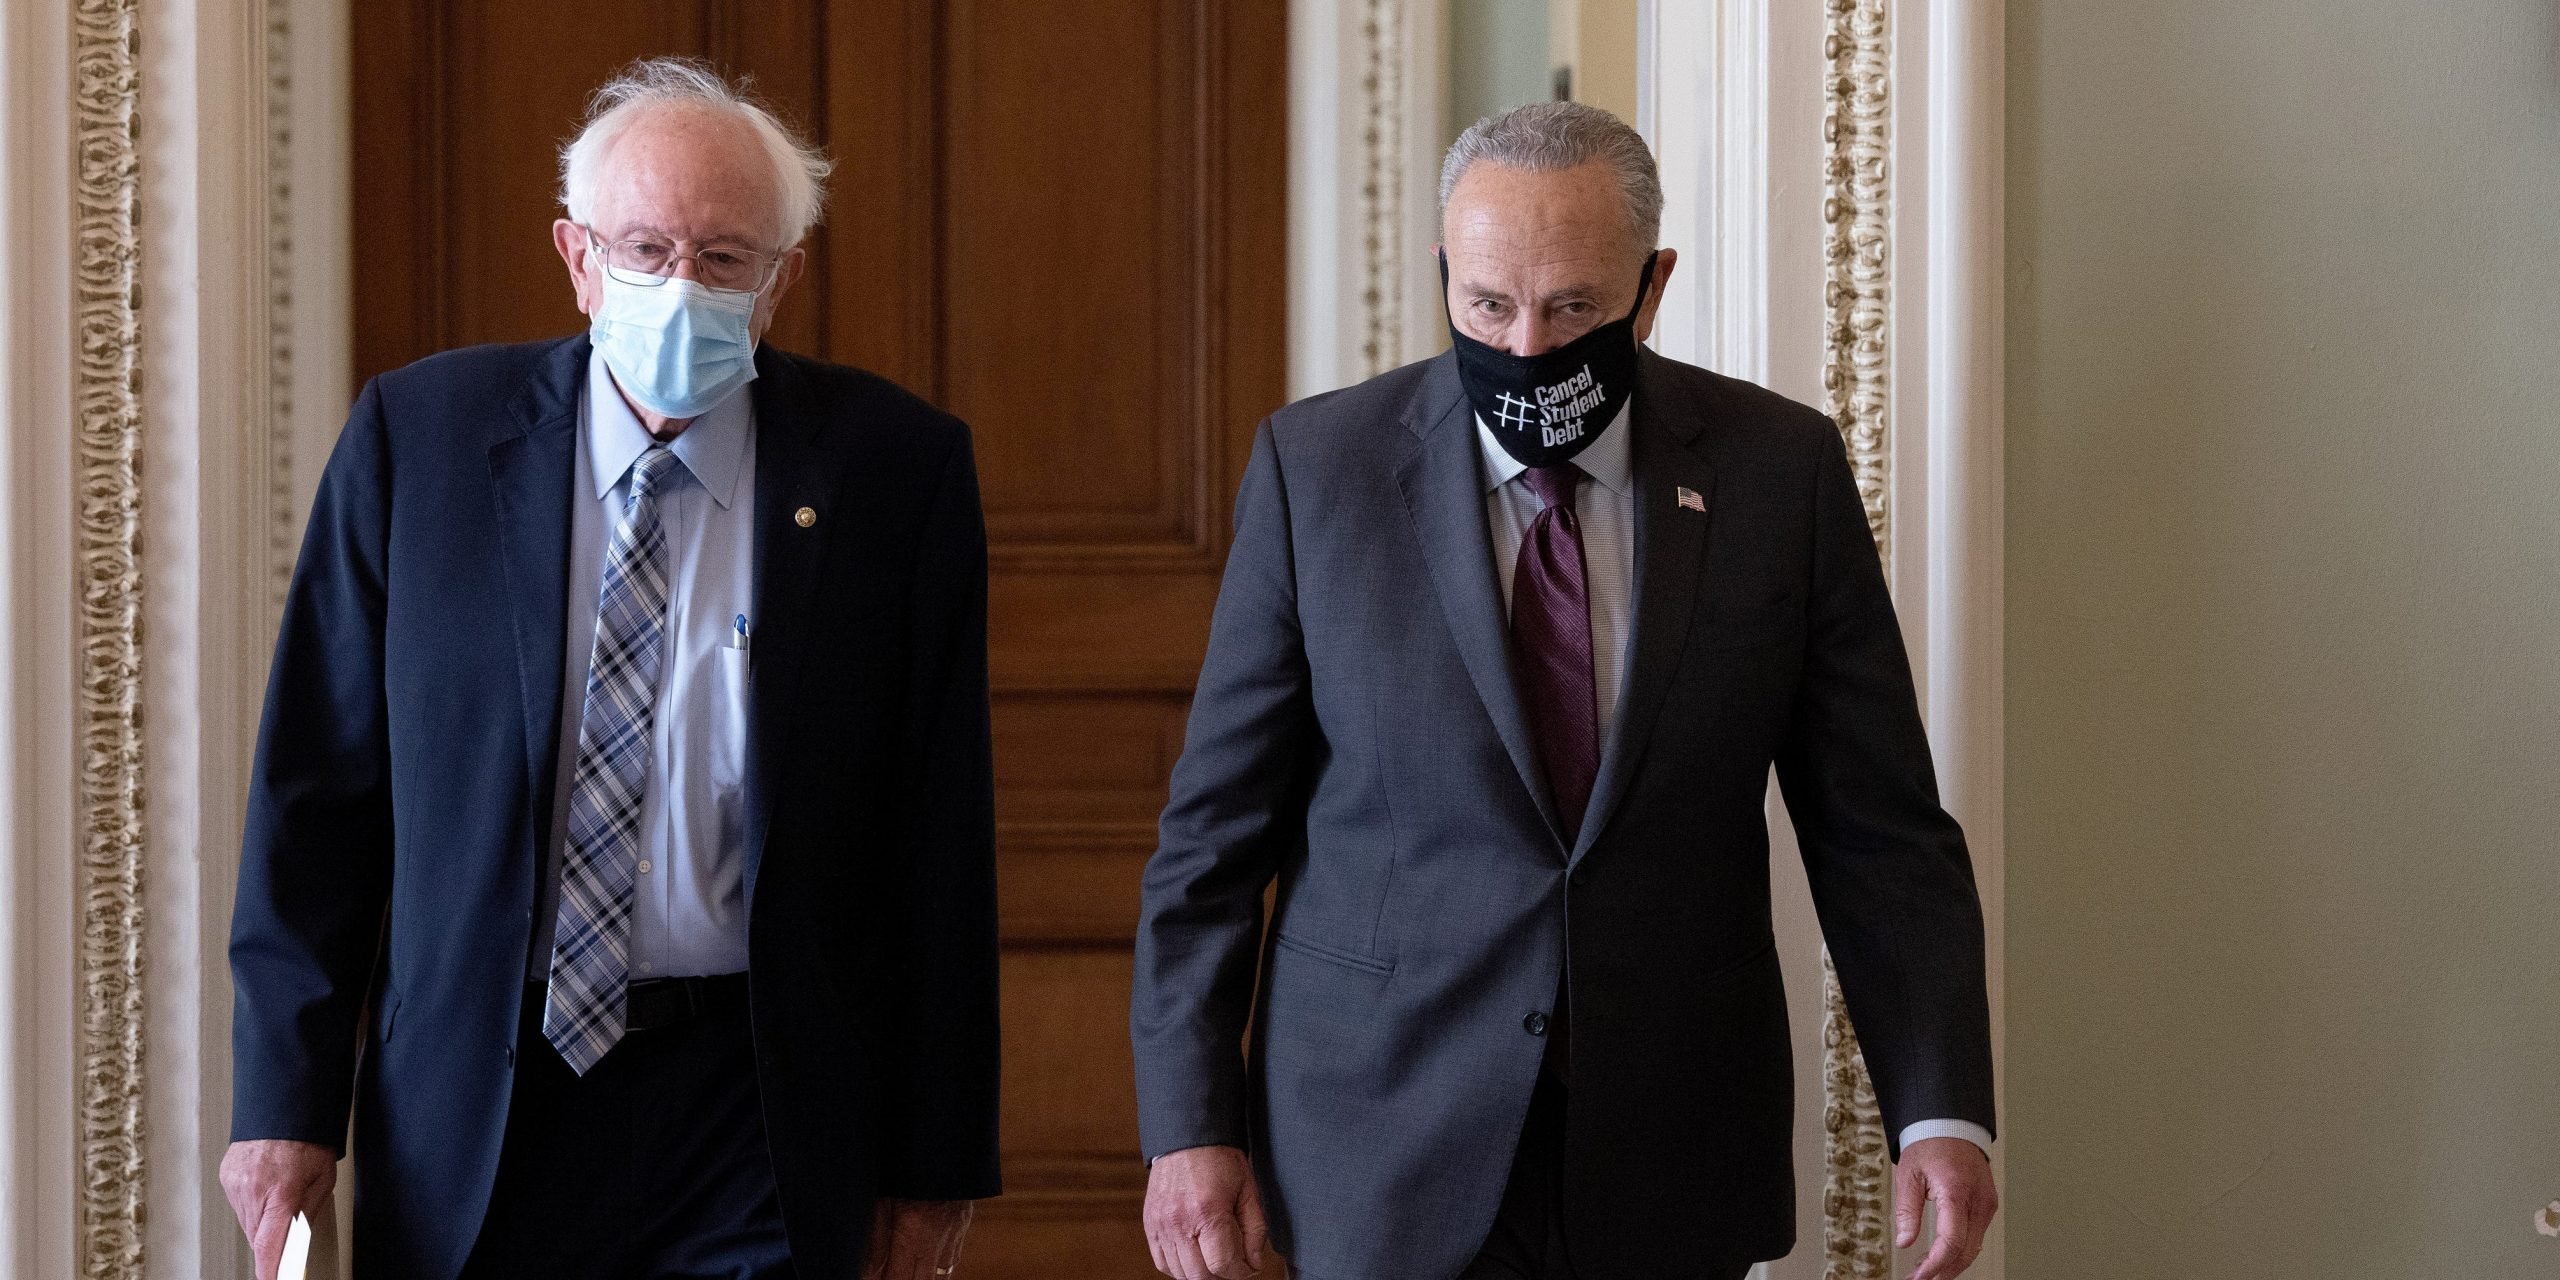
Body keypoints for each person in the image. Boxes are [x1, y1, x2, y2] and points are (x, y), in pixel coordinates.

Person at [1130, 101, 1999, 1280]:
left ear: (1652, 285)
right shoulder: (1315, 471)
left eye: (1573, 306)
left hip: (1670, 1137)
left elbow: (1881, 828)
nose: (1527, 348)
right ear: (1443, 273)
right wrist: (1190, 1125)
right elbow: (1213, 839)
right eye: (1486, 304)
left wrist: (1939, 1107)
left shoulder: (1776, 473)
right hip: (1382, 1133)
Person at [221, 57, 997, 1280]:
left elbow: (938, 848)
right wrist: (283, 1102)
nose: (678, 286)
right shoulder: (416, 444)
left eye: (724, 259)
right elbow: (315, 800)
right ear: (578, 259)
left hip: (759, 1109)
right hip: (482, 1102)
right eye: (642, 249)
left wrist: (936, 1161)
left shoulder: (893, 474)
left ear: (782, 282)